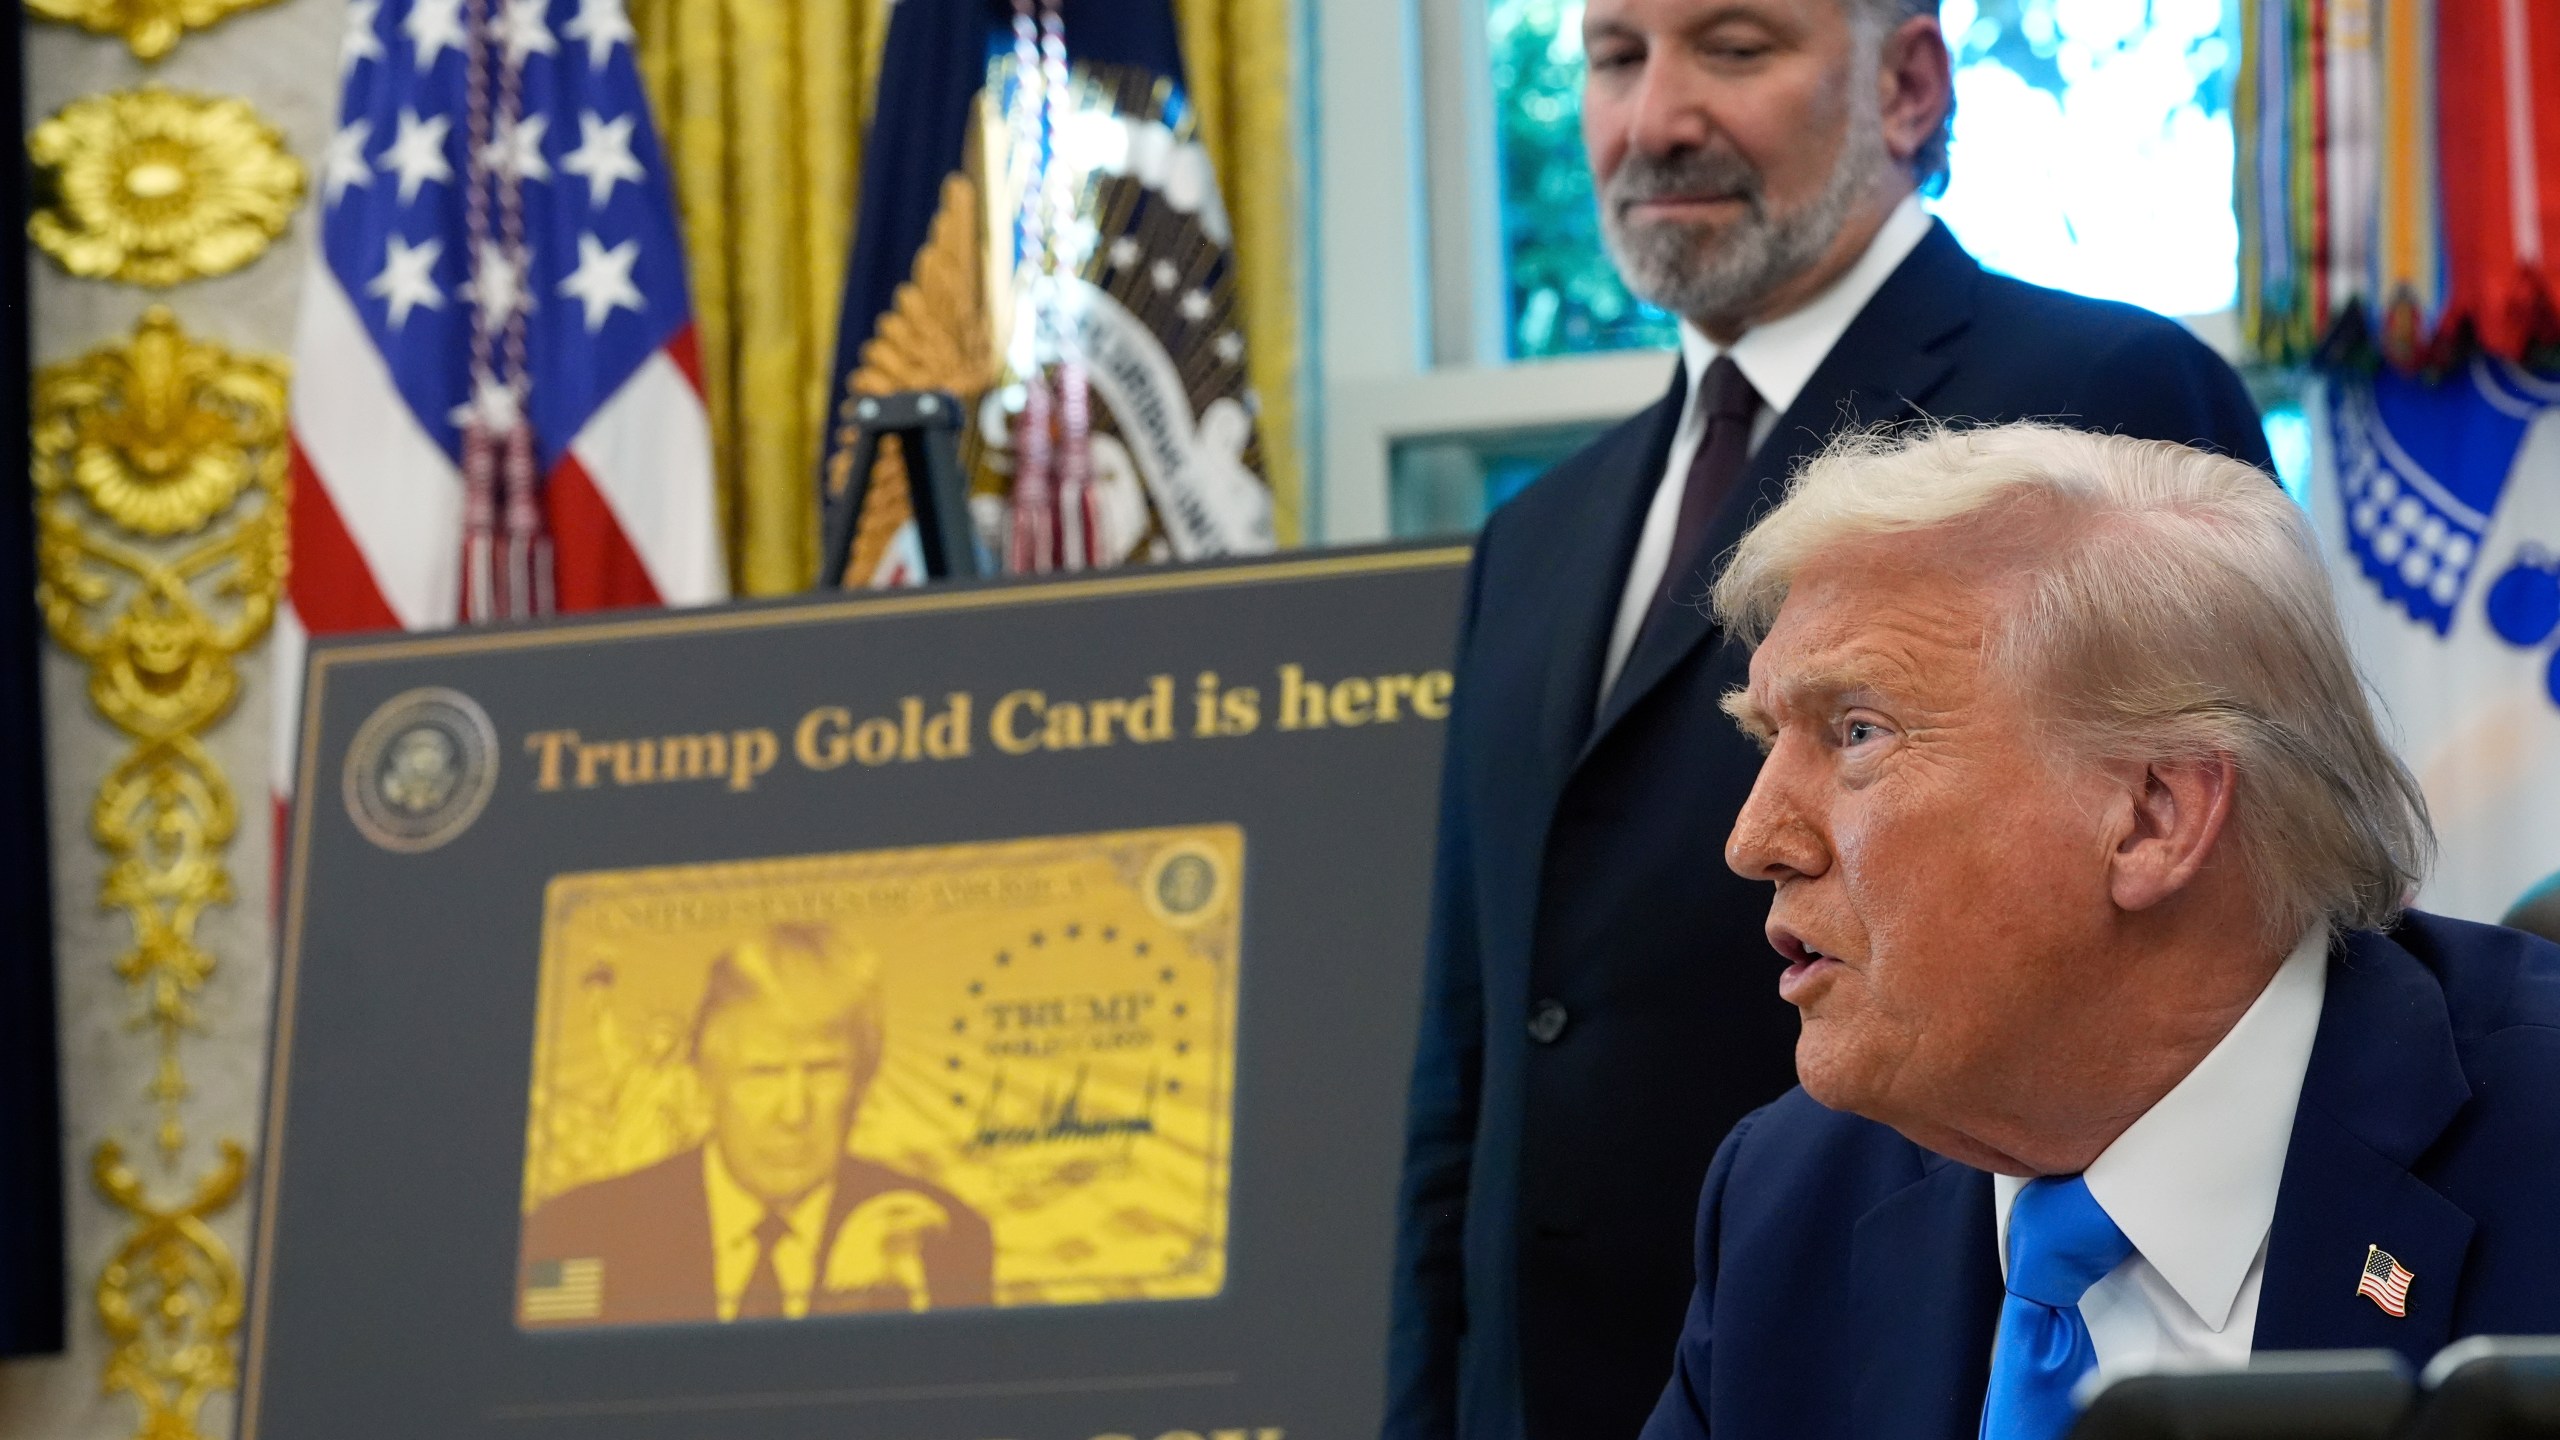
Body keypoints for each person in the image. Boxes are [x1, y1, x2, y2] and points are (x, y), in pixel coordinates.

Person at [1384, 0, 2274, 1430]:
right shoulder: (1533, 538)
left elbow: (2239, 947)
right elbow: (1472, 1055)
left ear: (1908, 83)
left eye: (1734, 48)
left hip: (1914, 1366)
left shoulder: (2099, 403)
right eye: (1614, 59)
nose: (1654, 119)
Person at [1639, 424, 2560, 1440]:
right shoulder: (1787, 1203)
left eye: (1858, 733)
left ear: (2155, 816)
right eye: (1769, 740)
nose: (1753, 841)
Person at [519, 924, 993, 1326]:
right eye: (762, 1072)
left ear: (863, 1082)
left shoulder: (945, 1237)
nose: (793, 1112)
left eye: (823, 1070)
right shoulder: (577, 1232)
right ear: (706, 1080)